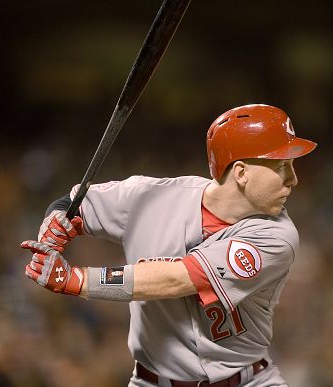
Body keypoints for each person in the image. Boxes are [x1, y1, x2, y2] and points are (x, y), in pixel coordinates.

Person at [21, 103, 317, 386]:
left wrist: (75, 280)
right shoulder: (150, 197)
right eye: (282, 166)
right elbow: (72, 204)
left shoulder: (277, 236)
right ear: (241, 173)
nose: (293, 179)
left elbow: (177, 279)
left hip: (248, 381)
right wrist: (57, 222)